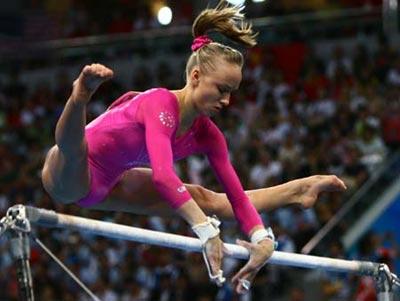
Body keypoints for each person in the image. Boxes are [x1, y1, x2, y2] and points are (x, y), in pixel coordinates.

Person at [41, 1, 346, 294]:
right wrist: (205, 230)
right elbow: (162, 175)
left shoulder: (208, 135)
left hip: (111, 181)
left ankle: (297, 191)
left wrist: (261, 236)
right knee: (73, 149)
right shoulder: (160, 103)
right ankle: (79, 96)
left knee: (204, 198)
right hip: (67, 176)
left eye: (232, 92)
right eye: (221, 90)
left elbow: (237, 199)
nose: (227, 100)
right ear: (196, 76)